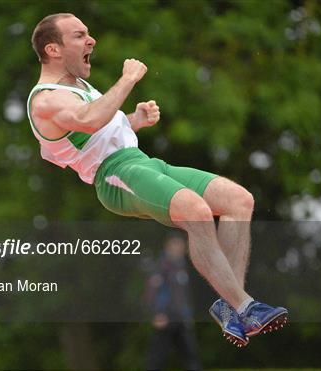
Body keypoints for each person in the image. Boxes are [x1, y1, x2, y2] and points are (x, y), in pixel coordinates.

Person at [27, 13, 288, 347]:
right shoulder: (45, 99)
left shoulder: (78, 87)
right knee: (196, 211)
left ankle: (231, 306)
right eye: (79, 36)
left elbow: (96, 133)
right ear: (53, 49)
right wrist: (127, 79)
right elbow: (87, 121)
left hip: (144, 163)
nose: (91, 41)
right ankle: (246, 306)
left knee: (239, 200)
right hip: (115, 175)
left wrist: (134, 120)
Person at [143, 234, 201, 370]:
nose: (179, 249)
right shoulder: (161, 266)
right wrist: (157, 313)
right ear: (168, 246)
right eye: (176, 245)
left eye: (181, 246)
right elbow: (151, 292)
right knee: (157, 357)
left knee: (190, 356)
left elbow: (184, 296)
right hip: (166, 318)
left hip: (181, 317)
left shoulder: (182, 267)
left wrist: (188, 314)